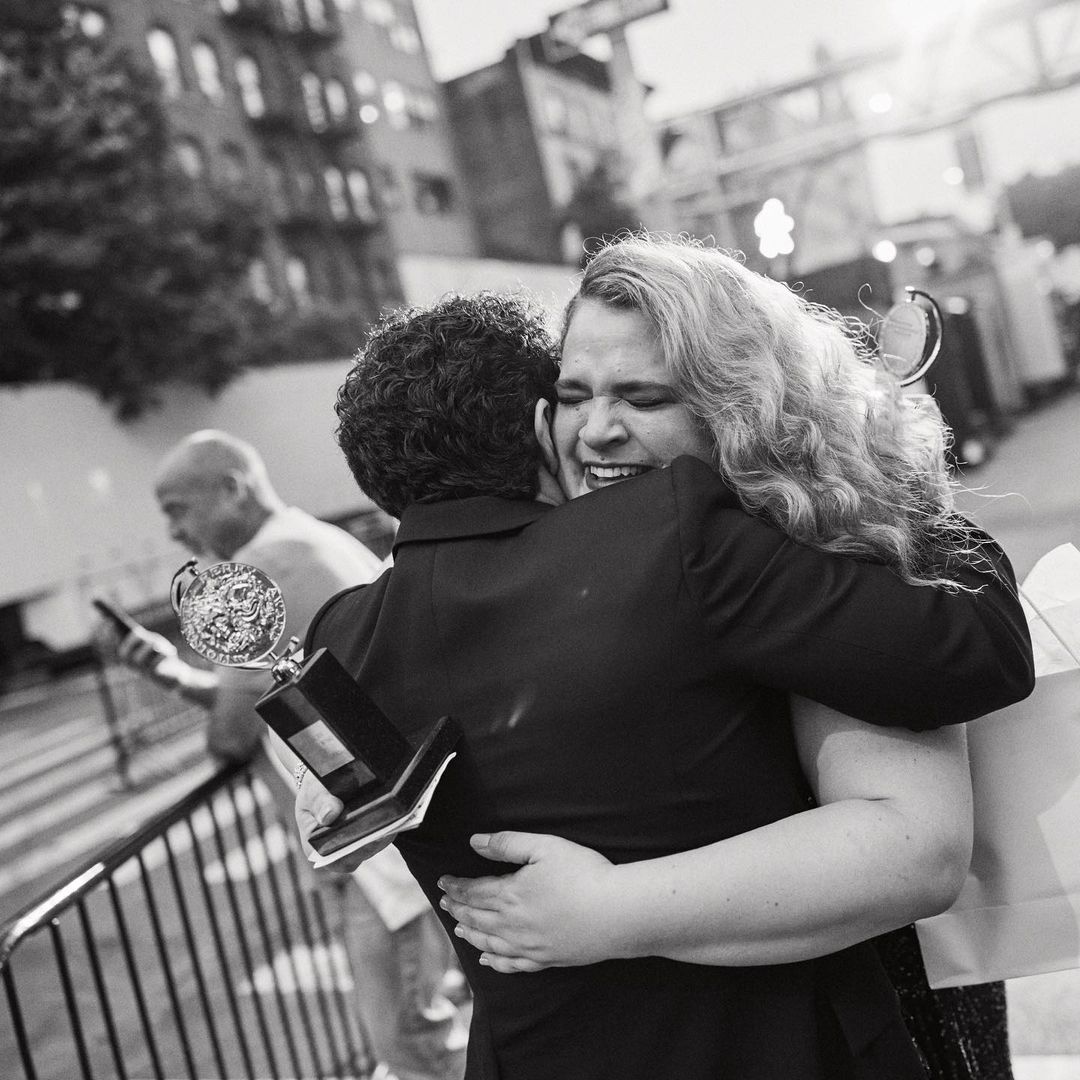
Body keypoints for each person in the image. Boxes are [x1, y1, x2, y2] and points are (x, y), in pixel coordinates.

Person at [295, 286, 1033, 1080]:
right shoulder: (670, 536)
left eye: (639, 396)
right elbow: (971, 649)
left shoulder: (337, 640)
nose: (600, 427)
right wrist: (890, 478)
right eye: (574, 396)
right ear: (543, 427)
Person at [112, 429, 465, 1080]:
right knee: (421, 1025)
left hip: (372, 848)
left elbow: (233, 734)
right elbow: (286, 692)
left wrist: (217, 707)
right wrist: (175, 675)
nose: (173, 532)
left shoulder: (249, 574)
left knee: (408, 1041)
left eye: (176, 509)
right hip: (396, 830)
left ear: (231, 489)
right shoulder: (316, 539)